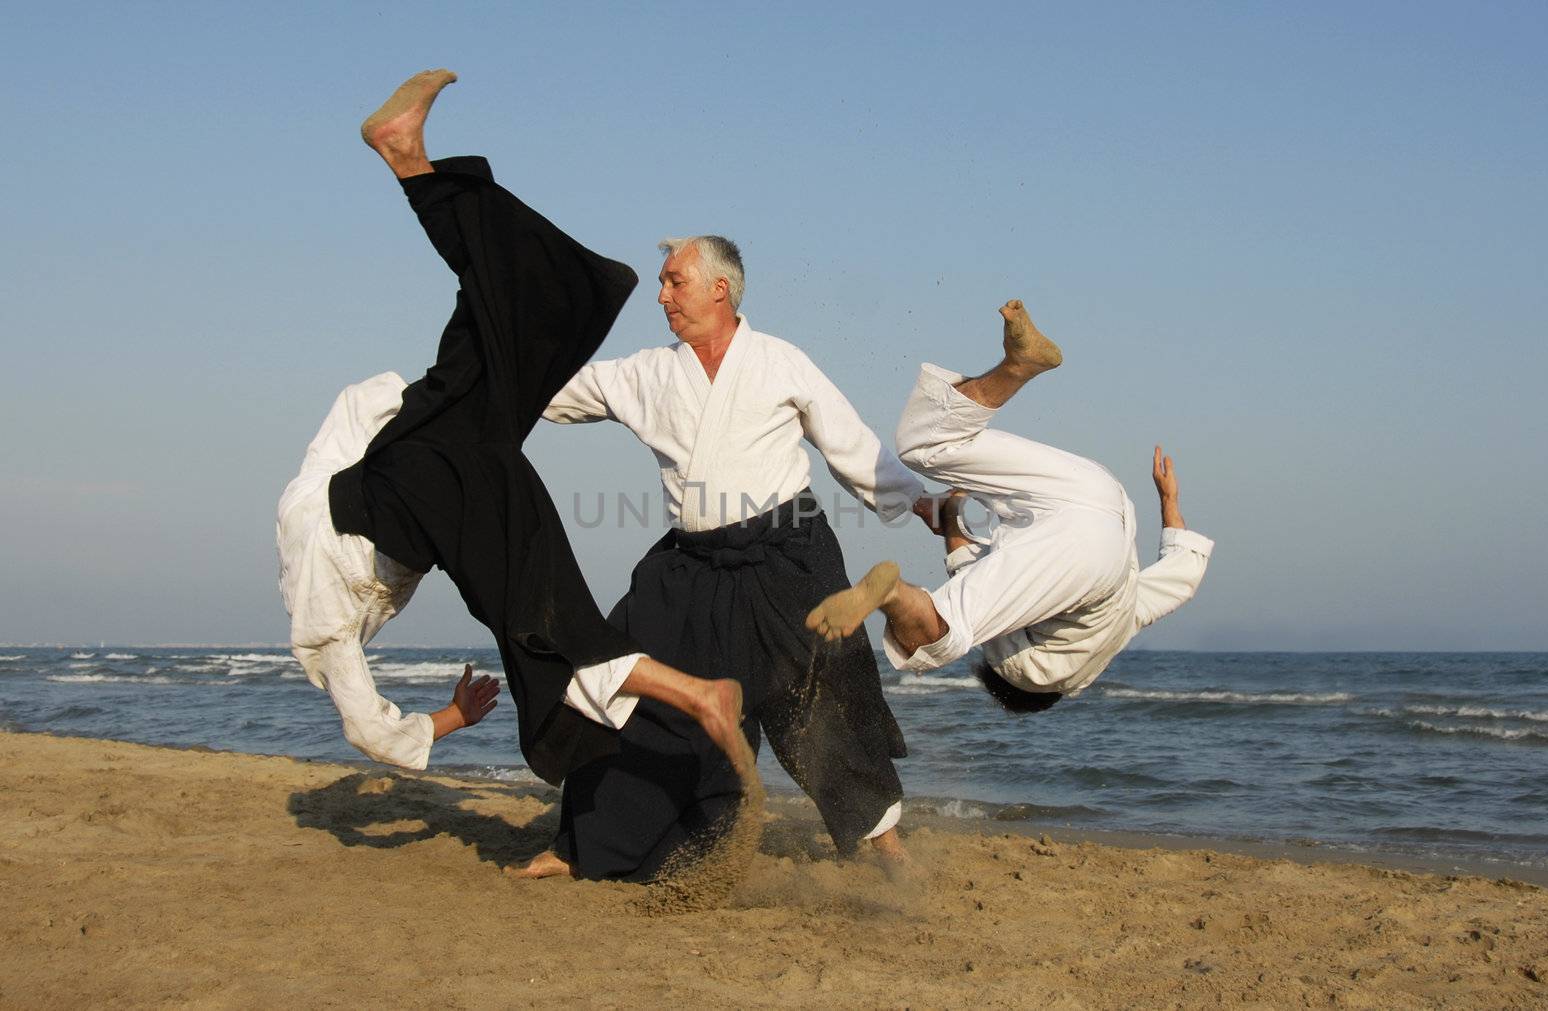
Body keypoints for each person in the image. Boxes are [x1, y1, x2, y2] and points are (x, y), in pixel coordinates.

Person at [276, 69, 749, 785]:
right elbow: (353, 413)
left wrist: (450, 720)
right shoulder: (312, 551)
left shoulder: (323, 610)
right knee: (531, 306)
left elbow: (368, 727)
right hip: (415, 447)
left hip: (419, 473)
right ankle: (411, 163)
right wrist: (439, 396)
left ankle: (687, 701)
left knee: (539, 617)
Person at [518, 234, 930, 881]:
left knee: (825, 694)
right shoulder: (647, 374)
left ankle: (889, 847)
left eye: (673, 281)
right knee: (629, 681)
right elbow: (557, 391)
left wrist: (921, 503)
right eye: (662, 283)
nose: (661, 296)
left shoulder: (779, 362)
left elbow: (849, 443)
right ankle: (586, 844)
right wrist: (493, 378)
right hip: (692, 567)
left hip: (788, 554)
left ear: (720, 288)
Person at [807, 300, 1214, 711]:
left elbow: (1186, 575)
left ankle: (1018, 364)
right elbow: (973, 579)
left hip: (1102, 493)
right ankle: (892, 594)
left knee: (931, 443)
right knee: (947, 632)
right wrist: (950, 525)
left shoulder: (1126, 622)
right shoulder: (1032, 674)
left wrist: (1168, 499)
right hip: (1085, 553)